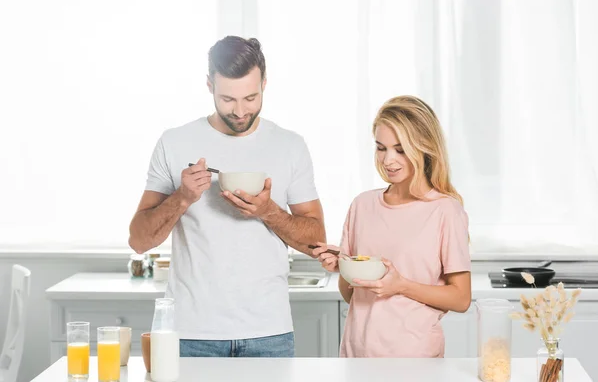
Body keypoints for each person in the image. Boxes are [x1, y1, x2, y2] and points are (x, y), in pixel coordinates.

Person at [128, 36, 326, 357]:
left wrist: (268, 212)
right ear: (209, 85)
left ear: (265, 82)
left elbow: (316, 241)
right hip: (191, 334)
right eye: (227, 99)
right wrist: (182, 197)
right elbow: (138, 241)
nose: (239, 111)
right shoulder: (175, 142)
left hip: (269, 333)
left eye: (250, 97)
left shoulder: (290, 146)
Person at [313, 95, 471, 358]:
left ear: (424, 148)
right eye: (380, 147)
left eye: (400, 149)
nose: (388, 160)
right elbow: (351, 296)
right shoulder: (362, 205)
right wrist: (343, 267)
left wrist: (401, 285)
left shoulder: (445, 210)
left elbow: (461, 299)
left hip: (414, 359)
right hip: (357, 355)